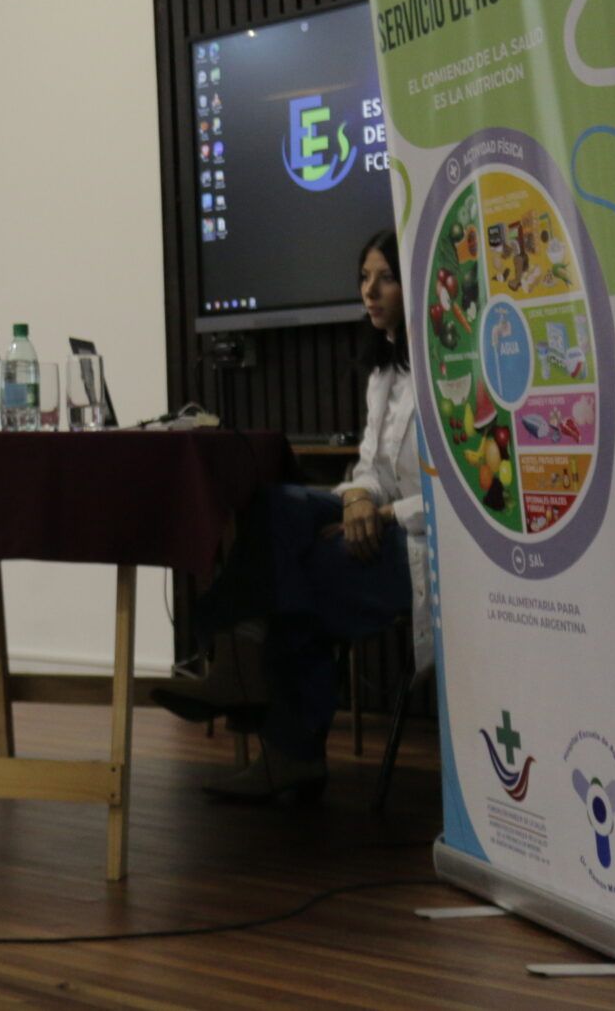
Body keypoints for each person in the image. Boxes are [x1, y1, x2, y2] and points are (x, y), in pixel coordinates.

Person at [165, 226, 428, 801]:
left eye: (386, 278)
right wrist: (358, 497)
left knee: (295, 580)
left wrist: (383, 514)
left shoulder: (448, 369)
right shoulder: (383, 373)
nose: (369, 291)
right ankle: (246, 679)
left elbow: (462, 493)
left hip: (424, 541)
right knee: (276, 502)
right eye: (364, 278)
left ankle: (276, 731)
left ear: (416, 283)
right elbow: (371, 469)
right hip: (378, 514)